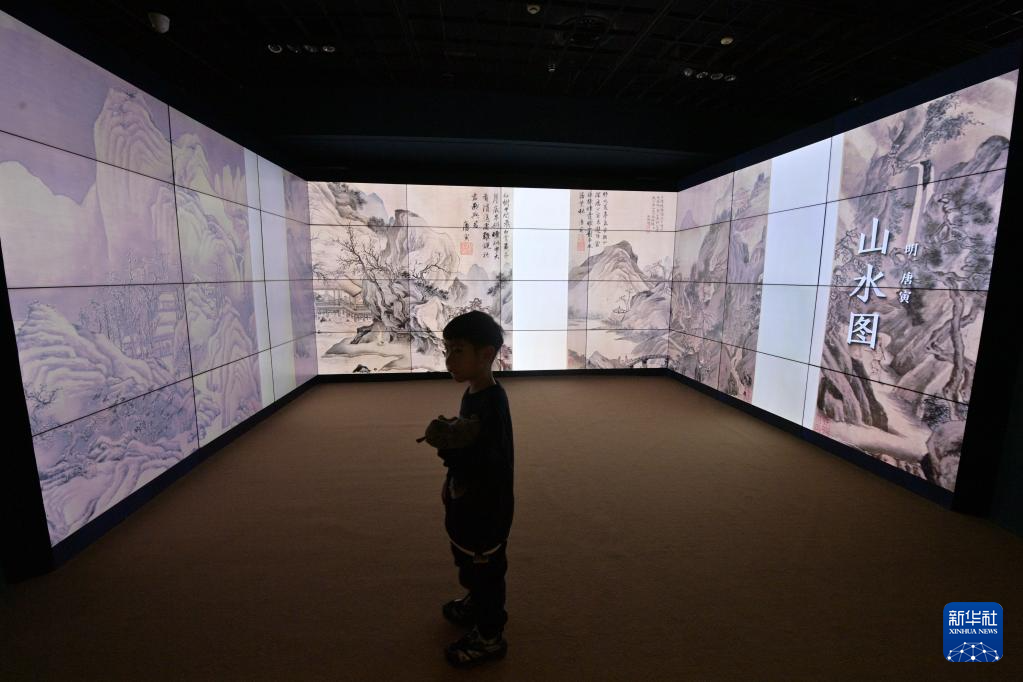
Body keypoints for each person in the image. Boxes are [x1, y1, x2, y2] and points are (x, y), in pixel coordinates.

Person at [416, 311, 514, 668]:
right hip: (466, 501)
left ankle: (489, 635)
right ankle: (475, 600)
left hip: (486, 509)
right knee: (467, 562)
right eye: (447, 350)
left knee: (486, 571)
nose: (448, 360)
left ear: (486, 354)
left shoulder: (493, 403)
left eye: (457, 351)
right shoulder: (473, 393)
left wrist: (451, 449)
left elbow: (490, 462)